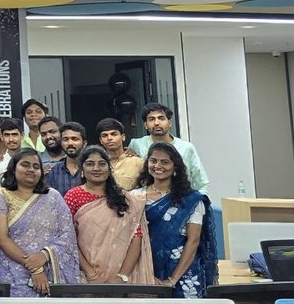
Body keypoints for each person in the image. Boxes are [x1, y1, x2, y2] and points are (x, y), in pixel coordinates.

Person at [0, 148, 82, 296]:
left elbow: (67, 234)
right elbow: (0, 238)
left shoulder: (53, 196)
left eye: (36, 166)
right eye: (25, 165)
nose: (31, 169)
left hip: (50, 270)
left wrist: (44, 256)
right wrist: (35, 269)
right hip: (13, 272)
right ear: (13, 169)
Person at [133, 142, 217, 298]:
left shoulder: (190, 200)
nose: (158, 166)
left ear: (175, 167)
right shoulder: (134, 197)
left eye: (165, 162)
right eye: (153, 161)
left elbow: (193, 241)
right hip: (144, 269)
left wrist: (172, 280)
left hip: (182, 270)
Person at [68, 145, 153, 285]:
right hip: (85, 277)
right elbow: (68, 237)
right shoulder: (73, 196)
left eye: (102, 164)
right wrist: (89, 273)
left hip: (122, 276)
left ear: (109, 169)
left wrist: (122, 276)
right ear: (82, 169)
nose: (96, 168)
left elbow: (136, 237)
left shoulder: (124, 199)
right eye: (90, 164)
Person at [128, 103, 210, 191]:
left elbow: (202, 183)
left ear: (169, 123)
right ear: (145, 125)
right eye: (151, 119)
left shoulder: (186, 148)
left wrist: (197, 199)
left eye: (161, 118)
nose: (156, 123)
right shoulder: (136, 144)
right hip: (147, 196)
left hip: (181, 195)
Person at [97, 118, 145, 190]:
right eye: (105, 135)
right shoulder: (97, 164)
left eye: (114, 134)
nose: (109, 138)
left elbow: (146, 189)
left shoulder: (138, 162)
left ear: (123, 137)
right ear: (101, 140)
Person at [46, 122, 87, 196]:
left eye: (74, 139)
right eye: (65, 139)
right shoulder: (54, 172)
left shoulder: (91, 169)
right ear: (61, 143)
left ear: (84, 143)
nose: (70, 143)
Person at [0, 118, 21, 183]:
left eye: (14, 135)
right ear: (2, 137)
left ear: (22, 135)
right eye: (7, 135)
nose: (11, 139)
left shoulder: (31, 159)